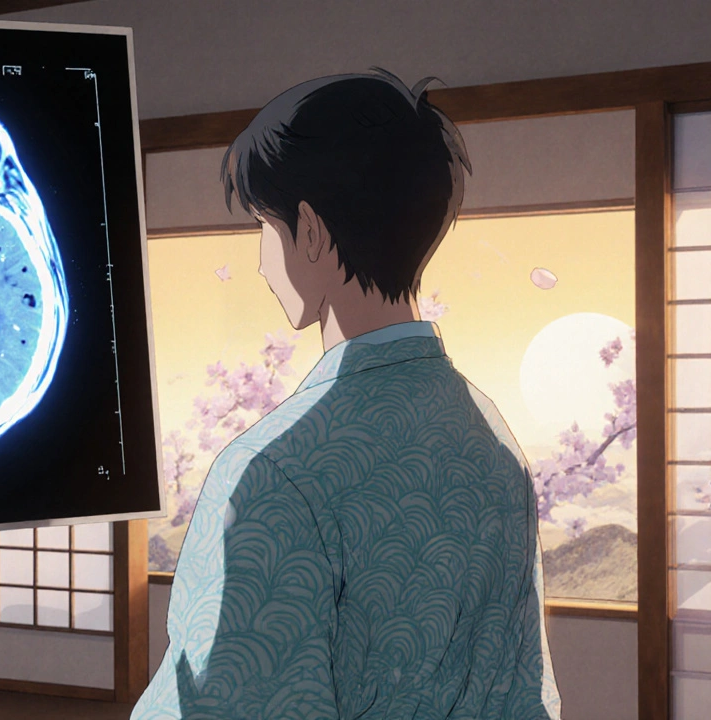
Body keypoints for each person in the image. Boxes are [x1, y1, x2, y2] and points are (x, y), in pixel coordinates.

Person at [132, 69, 562, 719]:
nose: (258, 261)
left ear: (309, 231)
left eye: (262, 226)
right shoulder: (492, 438)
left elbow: (218, 701)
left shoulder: (274, 470)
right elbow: (523, 686)